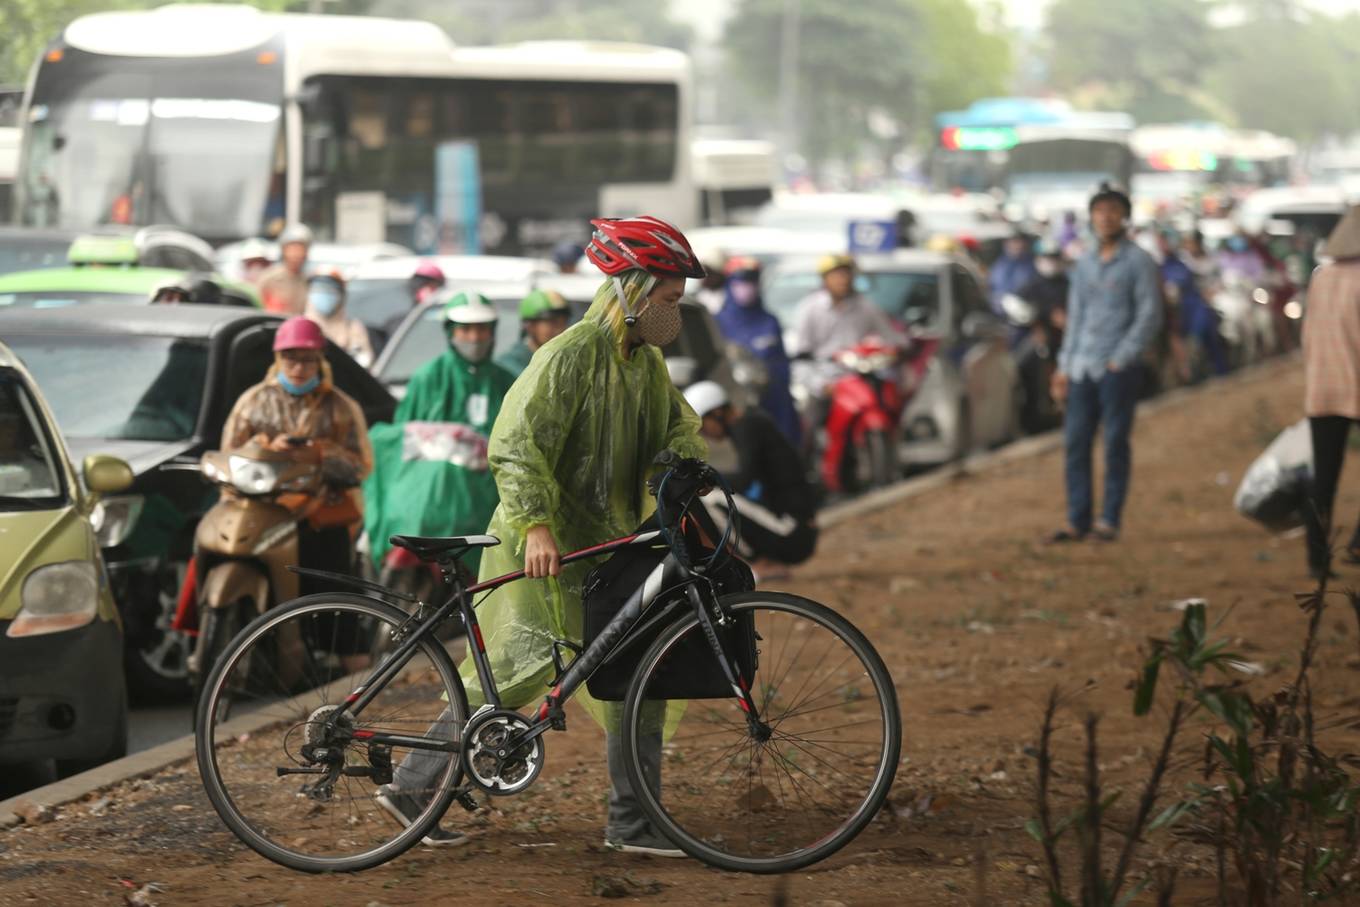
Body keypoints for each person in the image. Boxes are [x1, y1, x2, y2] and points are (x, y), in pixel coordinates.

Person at [376, 215, 707, 855]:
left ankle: (633, 822)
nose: (676, 314)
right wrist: (534, 524)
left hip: (605, 544)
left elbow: (675, 425)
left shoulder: (645, 364)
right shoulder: (571, 355)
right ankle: (419, 783)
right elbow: (515, 441)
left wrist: (687, 462)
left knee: (634, 667)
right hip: (547, 543)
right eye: (669, 300)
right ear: (634, 293)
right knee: (515, 669)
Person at [220, 317, 374, 665]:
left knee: (339, 604)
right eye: (290, 357)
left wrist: (319, 452)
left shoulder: (340, 406)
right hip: (262, 514)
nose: (298, 367)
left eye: (306, 359)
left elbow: (360, 465)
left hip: (319, 517)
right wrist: (265, 446)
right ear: (277, 359)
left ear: (320, 359)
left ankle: (360, 681)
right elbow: (230, 456)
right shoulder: (253, 402)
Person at [363, 292, 516, 571]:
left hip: (485, 495)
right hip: (430, 497)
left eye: (481, 329)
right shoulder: (429, 377)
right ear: (450, 332)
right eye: (465, 329)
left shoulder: (506, 381)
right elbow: (404, 442)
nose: (474, 338)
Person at [1047, 184, 1163, 543]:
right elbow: (1076, 317)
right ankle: (1076, 520)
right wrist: (1064, 366)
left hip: (1116, 368)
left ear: (1124, 216)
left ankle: (1109, 519)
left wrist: (1122, 358)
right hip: (1081, 366)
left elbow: (1149, 314)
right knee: (1076, 444)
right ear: (1092, 216)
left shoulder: (1139, 261)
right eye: (1100, 211)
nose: (1106, 217)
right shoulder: (1083, 263)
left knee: (1115, 444)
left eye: (1113, 211)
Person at [684, 380, 817, 575]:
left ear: (717, 413)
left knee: (710, 499)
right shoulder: (752, 423)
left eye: (704, 426)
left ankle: (761, 564)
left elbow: (744, 480)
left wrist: (703, 476)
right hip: (798, 526)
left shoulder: (747, 427)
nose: (705, 434)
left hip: (793, 532)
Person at [1301, 205, 1360, 580]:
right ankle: (1357, 542)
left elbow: (1307, 335)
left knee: (1323, 478)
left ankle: (1316, 559)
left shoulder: (1321, 277)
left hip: (1322, 388)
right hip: (1357, 383)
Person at [714, 256, 801, 444]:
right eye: (741, 281)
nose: (747, 287)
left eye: (751, 281)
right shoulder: (717, 322)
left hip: (773, 399)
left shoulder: (770, 321)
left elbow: (782, 364)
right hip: (736, 402)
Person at [791, 254, 903, 362]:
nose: (843, 280)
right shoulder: (810, 308)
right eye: (836, 275)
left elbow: (891, 338)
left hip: (857, 374)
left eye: (847, 274)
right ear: (825, 279)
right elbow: (802, 350)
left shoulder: (865, 307)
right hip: (819, 375)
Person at [1158, 229, 1226, 378]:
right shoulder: (1165, 265)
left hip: (1196, 305)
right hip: (1176, 311)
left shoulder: (1188, 262)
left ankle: (1217, 368)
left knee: (1206, 333)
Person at [304, 271, 374, 369]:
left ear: (341, 295)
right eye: (318, 290)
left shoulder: (352, 328)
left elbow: (364, 362)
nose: (324, 294)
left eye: (330, 291)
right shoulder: (301, 326)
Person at [495, 289, 571, 377]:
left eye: (564, 322)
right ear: (530, 326)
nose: (560, 329)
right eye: (552, 322)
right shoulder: (510, 366)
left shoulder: (569, 360)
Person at [258, 223, 313, 315]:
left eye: (301, 249)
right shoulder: (269, 278)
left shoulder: (309, 281)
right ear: (283, 250)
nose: (296, 254)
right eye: (292, 248)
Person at [988, 232, 1039, 315]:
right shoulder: (1000, 263)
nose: (1016, 245)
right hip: (999, 310)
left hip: (1023, 311)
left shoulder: (1031, 264)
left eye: (1019, 242)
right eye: (1013, 242)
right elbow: (993, 287)